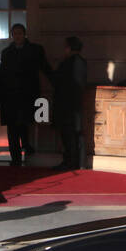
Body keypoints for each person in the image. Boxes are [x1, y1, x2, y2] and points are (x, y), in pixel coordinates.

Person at [0, 24, 50, 166]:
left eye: (19, 33)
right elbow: (2, 74)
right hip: (11, 95)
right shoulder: (7, 52)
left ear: (24, 34)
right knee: (13, 127)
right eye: (15, 34)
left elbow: (44, 67)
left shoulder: (34, 50)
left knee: (23, 124)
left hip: (25, 94)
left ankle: (24, 148)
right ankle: (16, 157)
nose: (17, 36)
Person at [50, 37, 87, 171]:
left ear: (69, 48)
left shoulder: (68, 63)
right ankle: (78, 162)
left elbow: (58, 81)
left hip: (67, 105)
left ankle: (70, 162)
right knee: (75, 134)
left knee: (68, 135)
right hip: (75, 104)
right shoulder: (81, 62)